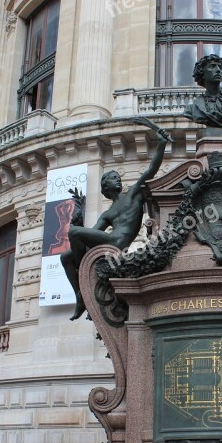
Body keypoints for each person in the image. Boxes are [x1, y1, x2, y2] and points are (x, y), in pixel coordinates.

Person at [61, 128, 171, 320]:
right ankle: (80, 294)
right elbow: (91, 235)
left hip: (118, 242)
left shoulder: (134, 194)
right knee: (65, 256)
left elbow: (151, 169)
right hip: (109, 241)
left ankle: (84, 278)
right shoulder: (108, 213)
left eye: (117, 177)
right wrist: (77, 218)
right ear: (105, 187)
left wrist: (161, 144)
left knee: (74, 233)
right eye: (112, 178)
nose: (117, 179)